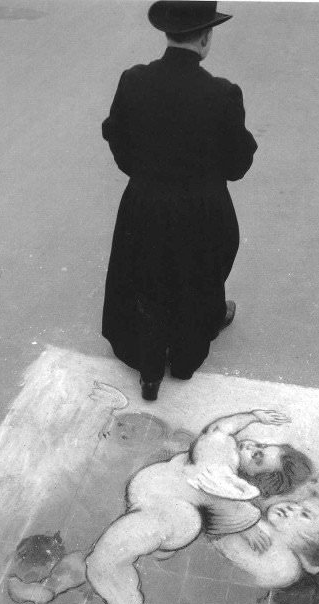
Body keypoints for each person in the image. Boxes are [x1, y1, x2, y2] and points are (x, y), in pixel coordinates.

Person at [8, 409, 314, 604]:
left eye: (257, 456)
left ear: (255, 477)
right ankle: (47, 589)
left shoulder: (223, 472)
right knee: (97, 557)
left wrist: (249, 526)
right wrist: (252, 415)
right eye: (258, 444)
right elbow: (222, 431)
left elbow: (219, 438)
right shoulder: (226, 466)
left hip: (166, 516)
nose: (249, 446)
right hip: (154, 513)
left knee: (104, 561)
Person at [101, 1, 258, 400]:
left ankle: (148, 364)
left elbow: (117, 139)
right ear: (206, 38)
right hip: (202, 207)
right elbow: (238, 164)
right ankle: (189, 346)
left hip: (146, 200)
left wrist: (146, 177)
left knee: (145, 269)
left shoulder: (133, 80)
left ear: (167, 33)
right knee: (202, 264)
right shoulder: (221, 93)